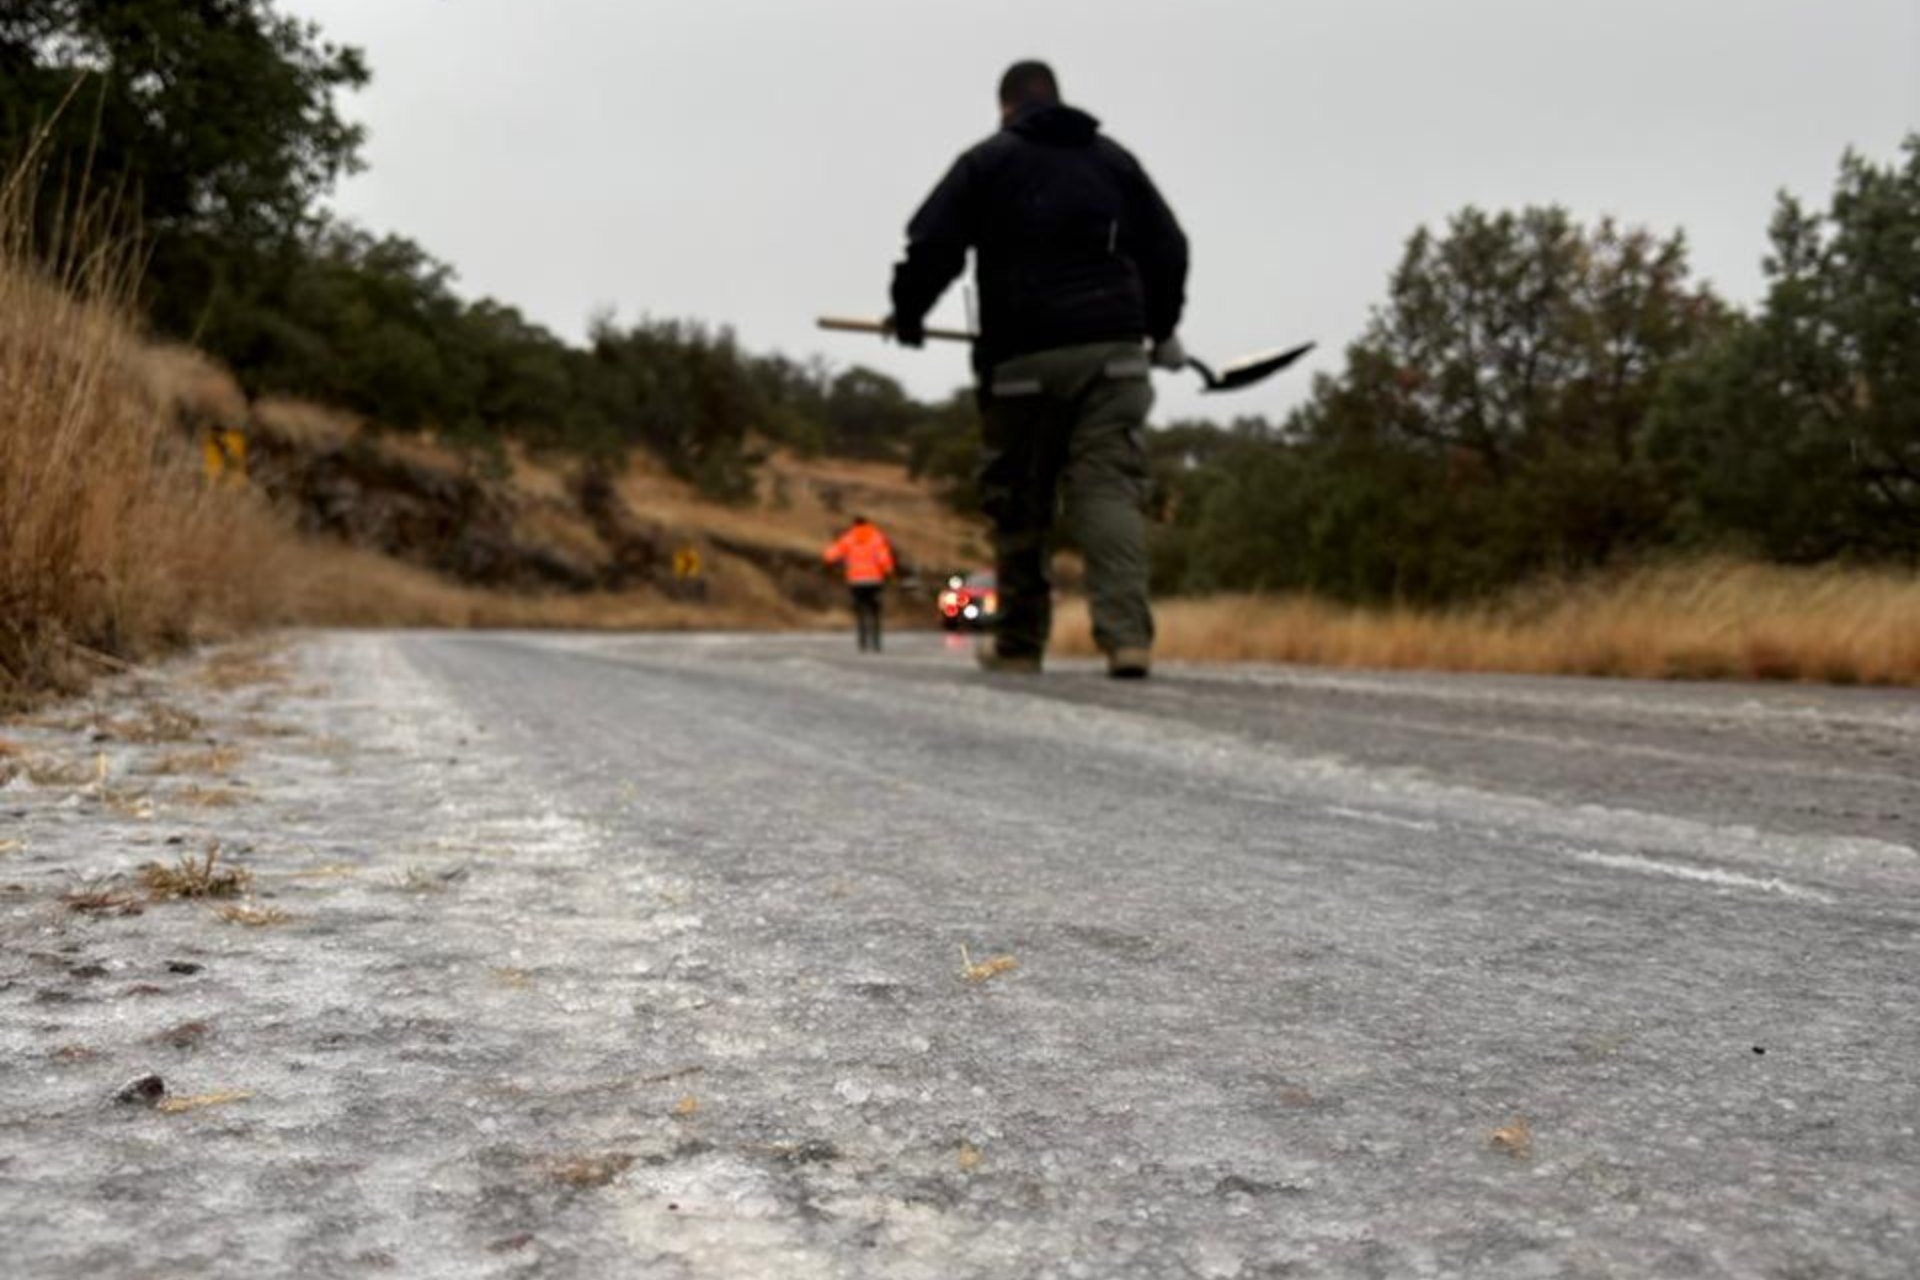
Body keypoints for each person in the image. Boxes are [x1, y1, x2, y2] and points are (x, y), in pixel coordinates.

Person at [887, 59, 1188, 679]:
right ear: (1056, 98)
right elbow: (1169, 245)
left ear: (1005, 107)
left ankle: (1021, 644)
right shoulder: (1113, 162)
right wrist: (1160, 326)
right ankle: (1127, 639)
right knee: (1107, 490)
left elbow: (932, 247)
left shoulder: (988, 162)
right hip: (1114, 356)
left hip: (1021, 357)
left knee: (1020, 497)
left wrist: (909, 314)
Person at [822, 515, 896, 652]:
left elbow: (832, 554)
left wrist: (827, 560)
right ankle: (876, 642)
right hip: (874, 582)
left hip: (856, 582)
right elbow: (883, 558)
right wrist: (889, 572)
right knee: (875, 612)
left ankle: (862, 641)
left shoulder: (849, 538)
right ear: (868, 524)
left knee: (860, 611)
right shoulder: (876, 538)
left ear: (854, 524)